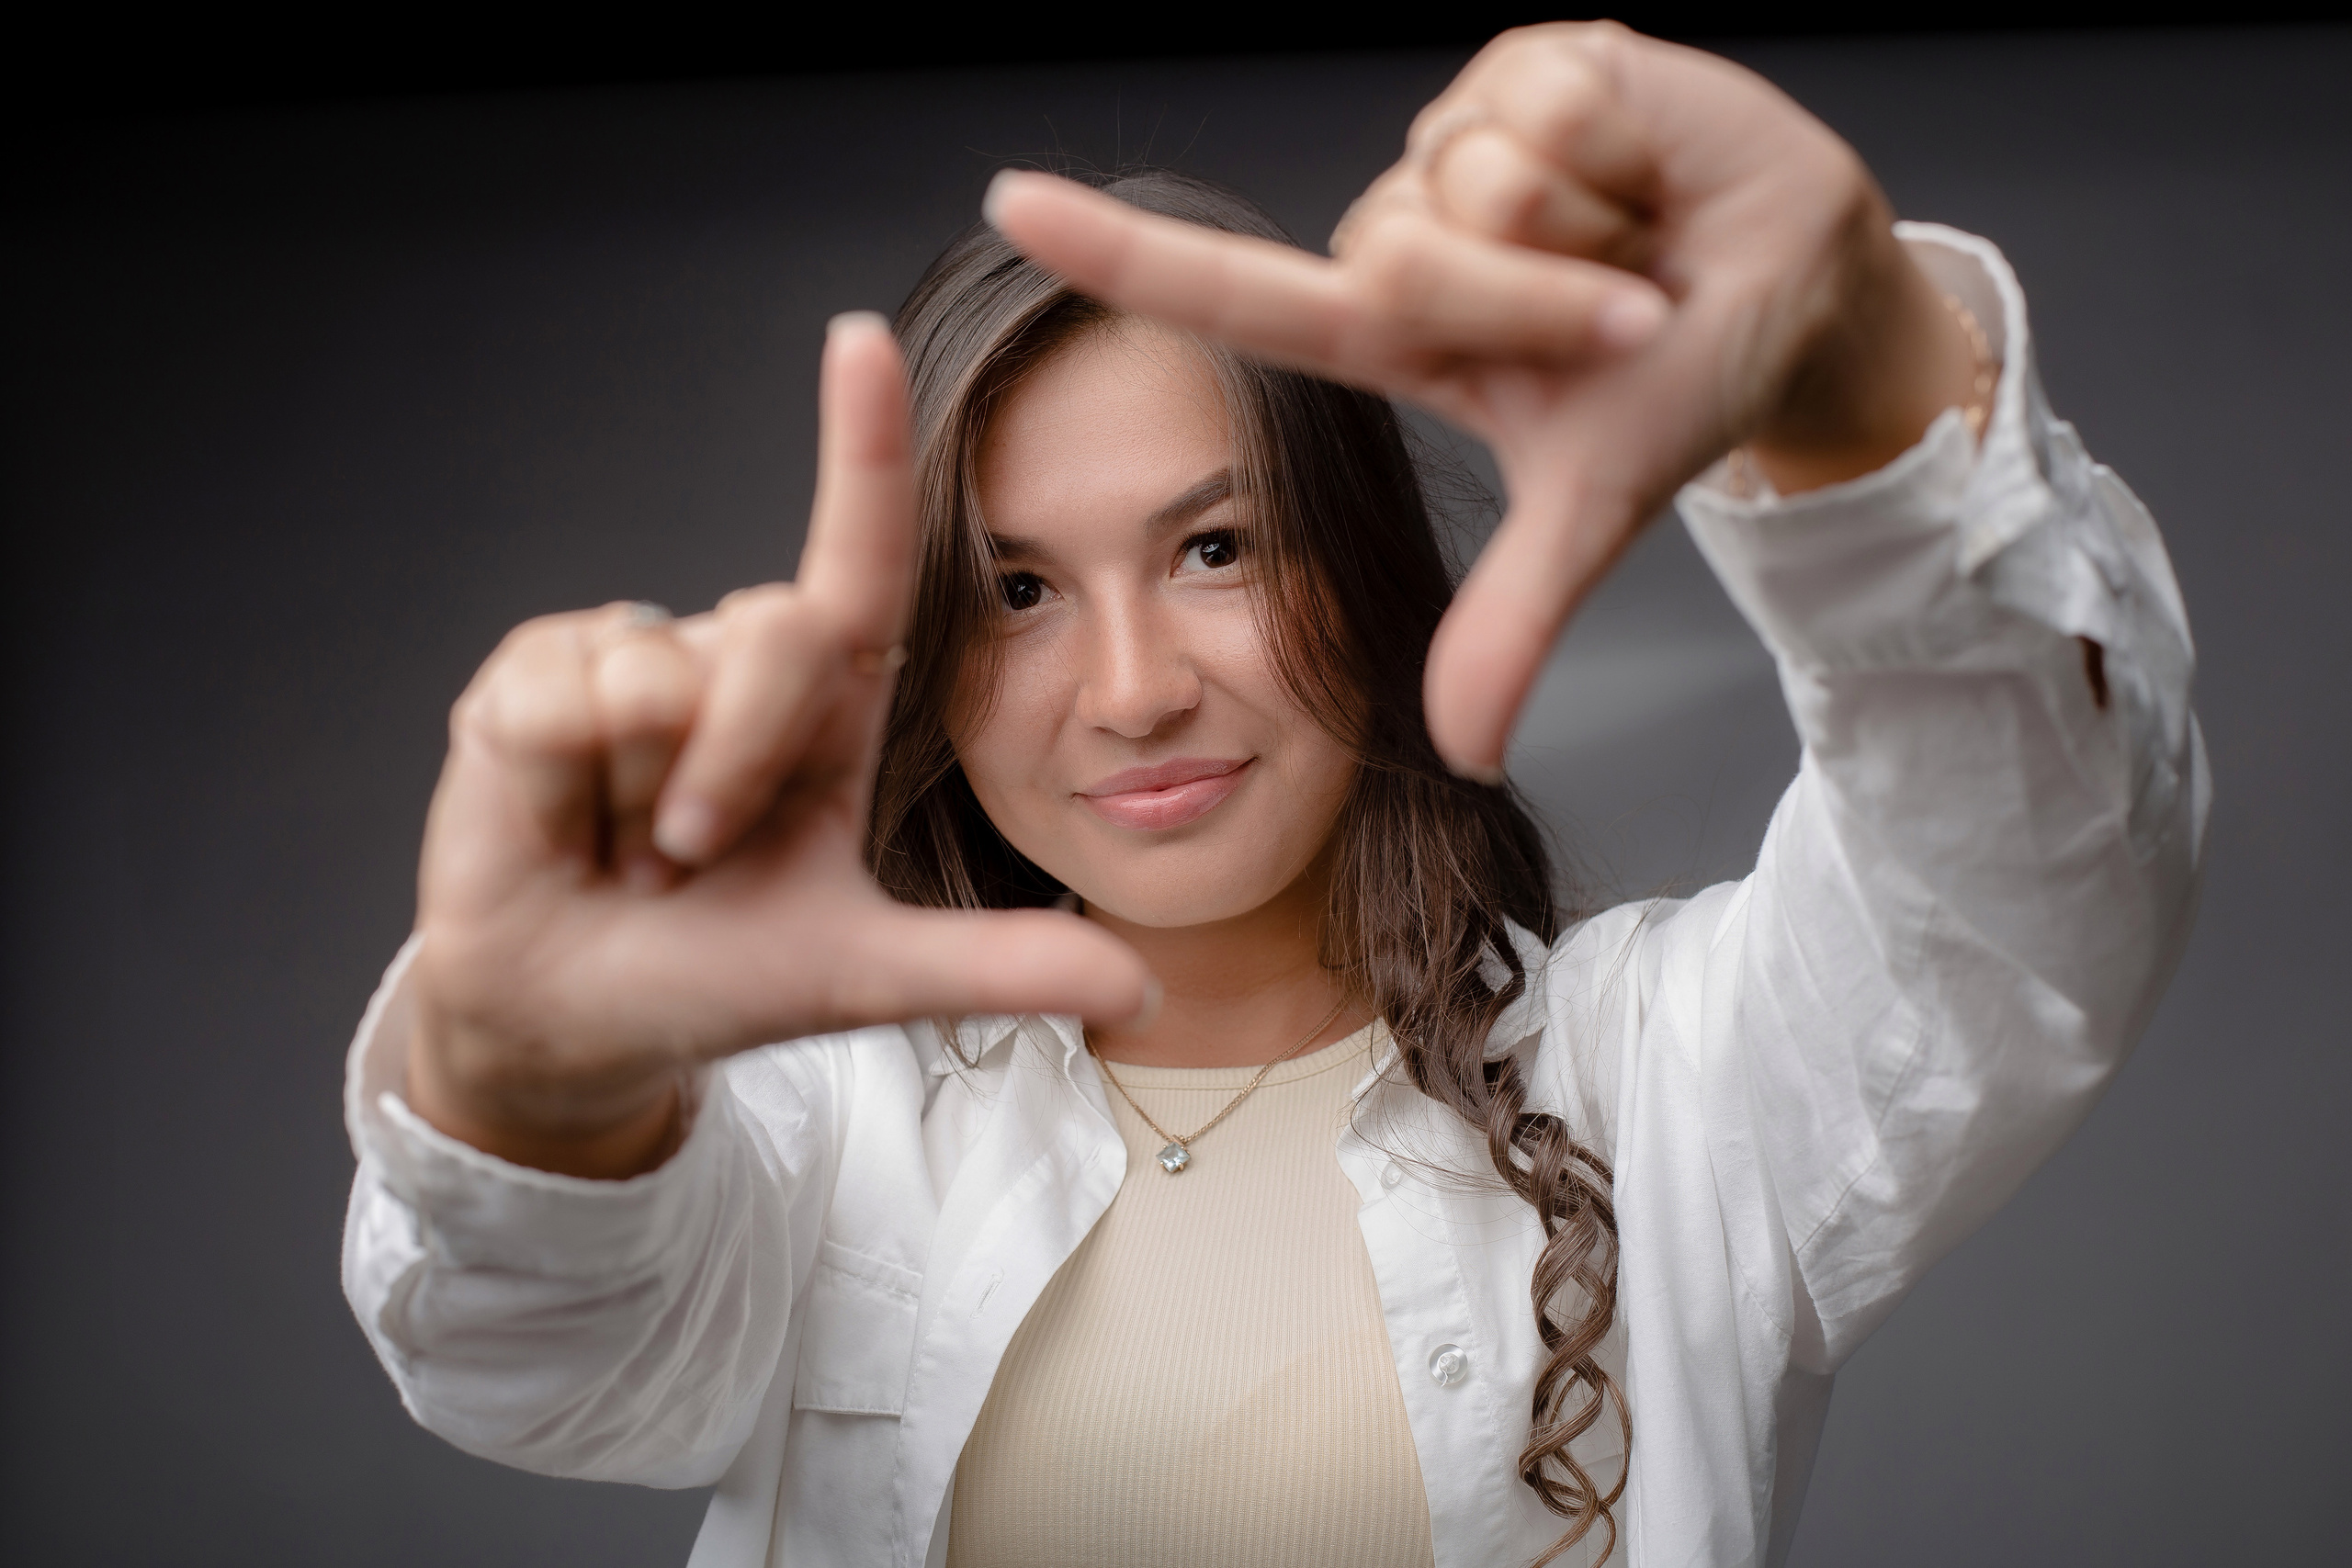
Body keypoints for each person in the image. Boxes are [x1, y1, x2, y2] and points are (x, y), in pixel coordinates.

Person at [340, 23, 2205, 1568]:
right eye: (1015, 590)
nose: (1137, 686)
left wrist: (1859, 376)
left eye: (1214, 545)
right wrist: (529, 1073)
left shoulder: (1669, 1076)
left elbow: (2016, 887)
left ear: (1359, 566)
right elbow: (534, 1354)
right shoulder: (823, 1124)